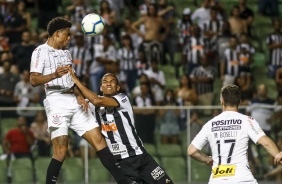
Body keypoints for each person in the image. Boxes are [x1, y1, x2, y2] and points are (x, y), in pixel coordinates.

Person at [29, 17, 131, 184]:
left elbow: (72, 80)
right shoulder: (40, 51)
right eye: (67, 35)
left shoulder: (67, 53)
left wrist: (79, 96)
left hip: (73, 100)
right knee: (61, 151)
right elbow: (33, 80)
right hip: (56, 101)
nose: (69, 38)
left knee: (99, 141)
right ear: (57, 34)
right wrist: (54, 74)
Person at [68, 69, 174, 183]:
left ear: (118, 88)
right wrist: (79, 95)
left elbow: (97, 100)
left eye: (112, 81)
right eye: (105, 81)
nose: (108, 83)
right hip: (121, 163)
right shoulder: (92, 106)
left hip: (140, 157)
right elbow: (72, 91)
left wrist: (76, 80)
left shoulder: (123, 99)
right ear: (100, 87)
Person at [188, 84, 282, 184]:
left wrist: (207, 159)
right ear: (239, 102)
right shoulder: (247, 121)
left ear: (221, 101)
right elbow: (266, 143)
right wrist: (278, 154)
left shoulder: (210, 124)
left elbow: (191, 151)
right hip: (242, 179)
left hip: (217, 180)